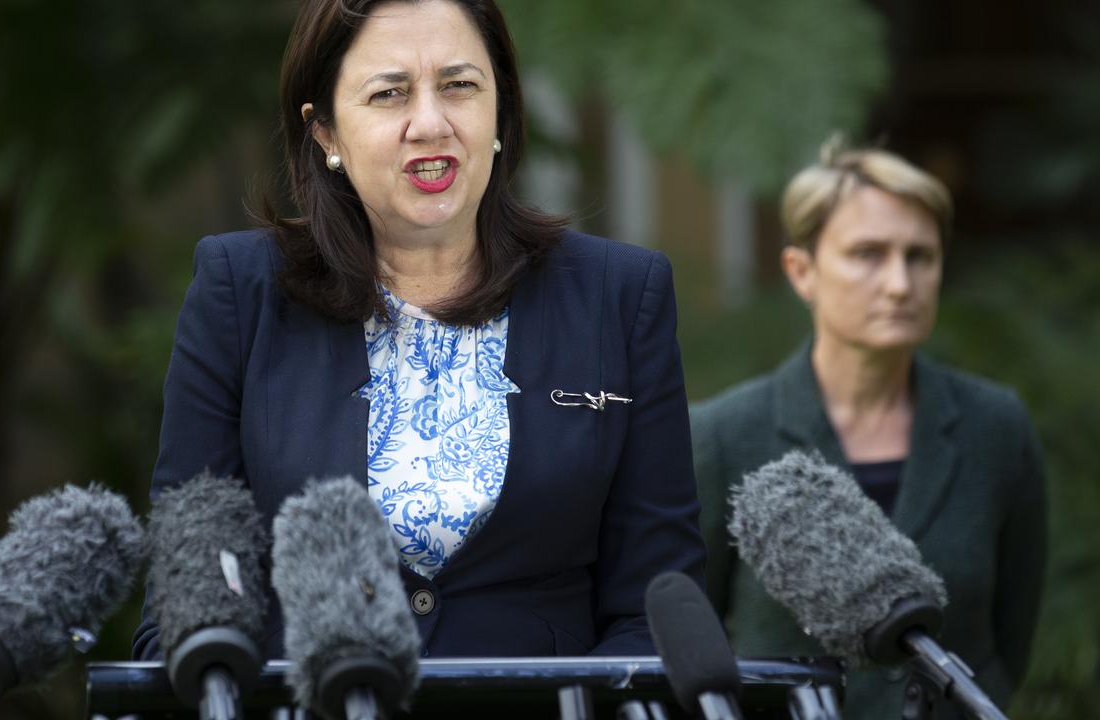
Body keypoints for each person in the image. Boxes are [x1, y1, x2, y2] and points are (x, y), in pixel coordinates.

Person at [131, 0, 705, 662]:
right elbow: (188, 601)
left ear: (501, 109)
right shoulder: (240, 292)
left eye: (459, 86)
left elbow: (658, 609)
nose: (430, 123)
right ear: (325, 134)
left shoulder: (619, 296)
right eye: (389, 94)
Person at [692, 138, 1046, 718]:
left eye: (919, 256)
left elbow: (1010, 637)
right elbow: (683, 643)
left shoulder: (996, 427)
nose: (900, 284)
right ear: (802, 272)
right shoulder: (722, 435)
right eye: (867, 254)